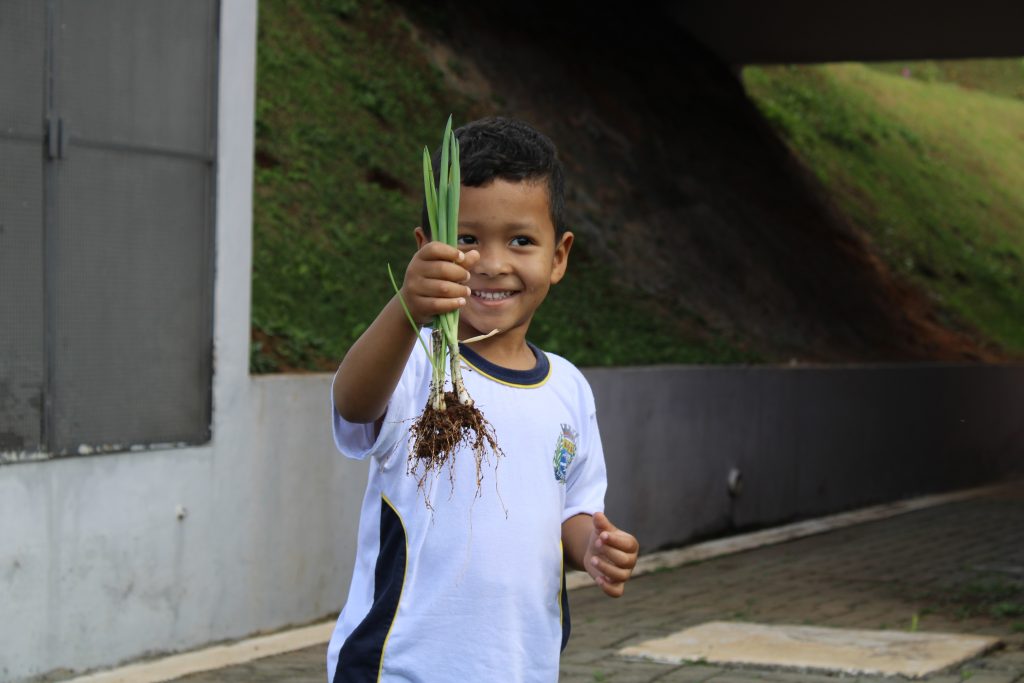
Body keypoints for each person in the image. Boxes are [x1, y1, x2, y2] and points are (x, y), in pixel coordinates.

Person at [327, 117, 639, 682]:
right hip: (399, 669)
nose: (492, 264)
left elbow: (573, 506)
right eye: (467, 240)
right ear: (428, 250)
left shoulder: (567, 387)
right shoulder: (415, 361)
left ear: (559, 256)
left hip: (520, 668)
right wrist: (406, 307)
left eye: (521, 241)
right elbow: (354, 404)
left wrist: (592, 545)